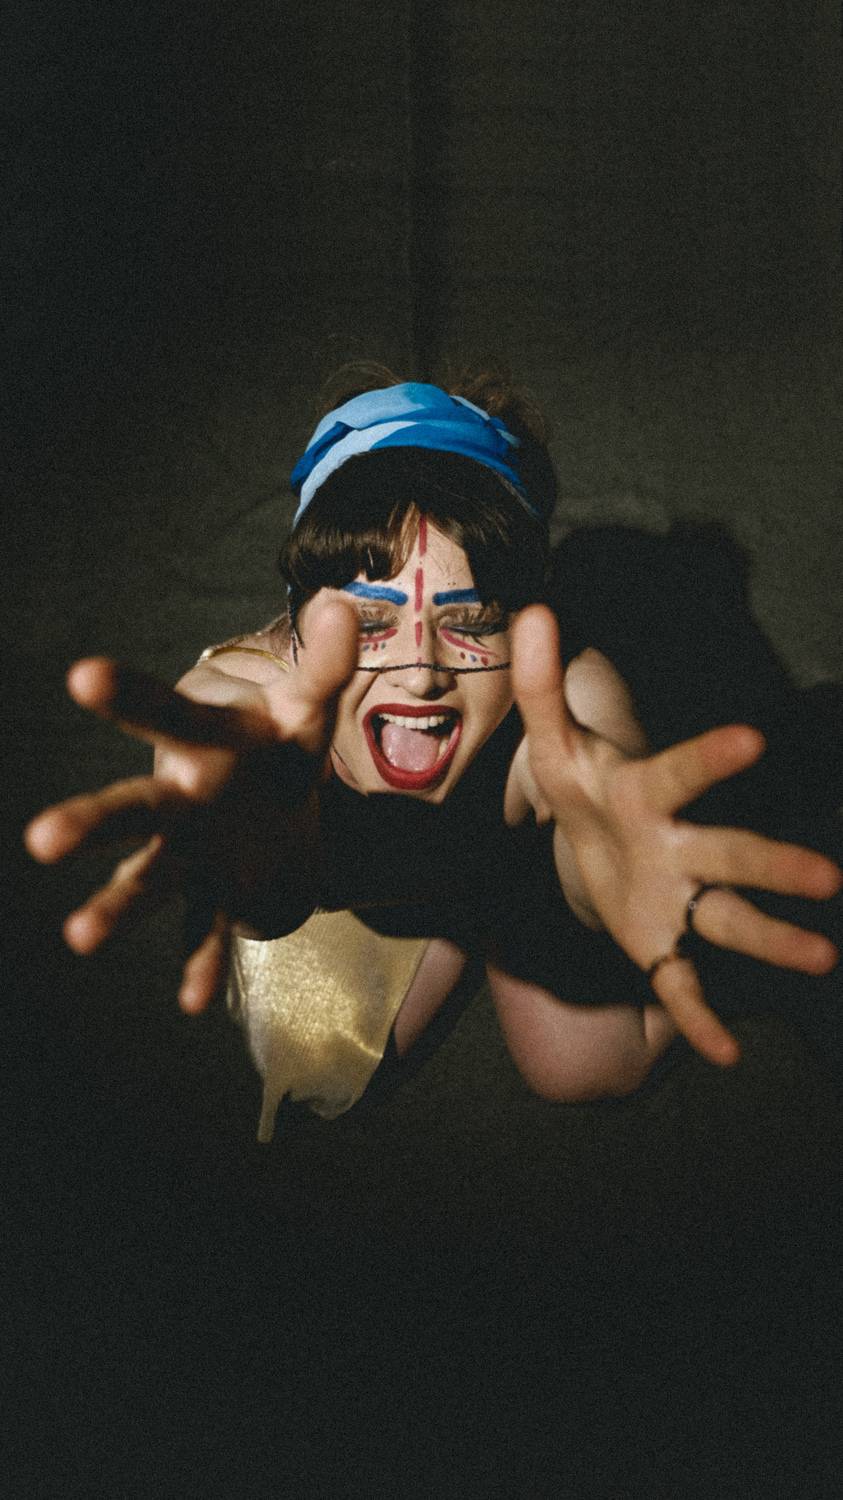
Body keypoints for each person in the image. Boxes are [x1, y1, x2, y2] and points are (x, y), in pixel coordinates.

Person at [25, 373, 842, 1137]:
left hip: (508, 864)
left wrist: (606, 870)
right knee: (313, 1066)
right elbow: (228, 756)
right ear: (297, 622)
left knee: (586, 1067)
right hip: (375, 887)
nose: (420, 671)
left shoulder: (569, 691)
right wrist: (243, 833)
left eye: (472, 620)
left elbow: (604, 799)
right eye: (369, 623)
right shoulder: (253, 699)